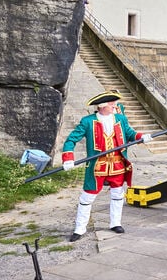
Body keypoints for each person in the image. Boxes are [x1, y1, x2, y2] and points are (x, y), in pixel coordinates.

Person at [61, 90, 153, 242]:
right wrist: (68, 158)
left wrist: (141, 137)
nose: (115, 106)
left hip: (118, 164)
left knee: (117, 195)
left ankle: (115, 223)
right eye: (112, 104)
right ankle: (79, 228)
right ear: (102, 106)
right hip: (97, 167)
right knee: (87, 197)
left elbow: (130, 133)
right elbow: (71, 140)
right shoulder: (87, 121)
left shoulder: (120, 119)